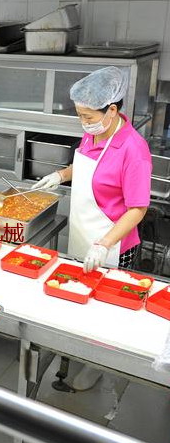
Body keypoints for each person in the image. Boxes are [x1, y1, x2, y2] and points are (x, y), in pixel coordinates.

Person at [31, 66, 152, 391]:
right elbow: (85, 163)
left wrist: (104, 243)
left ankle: (95, 367)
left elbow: (138, 208)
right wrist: (59, 176)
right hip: (84, 234)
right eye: (80, 116)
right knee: (79, 298)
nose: (84, 122)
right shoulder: (94, 131)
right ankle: (75, 354)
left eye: (88, 116)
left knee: (104, 313)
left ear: (111, 110)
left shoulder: (134, 149)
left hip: (113, 245)